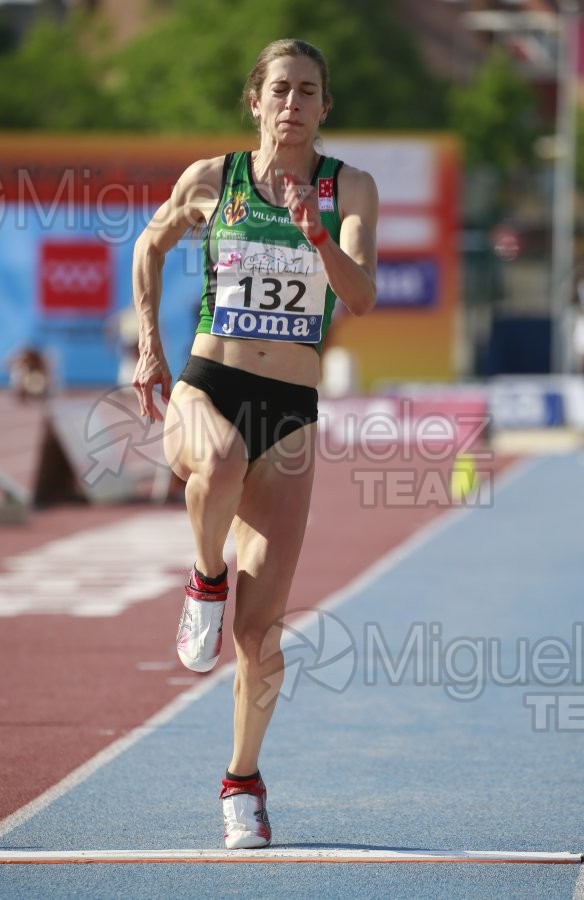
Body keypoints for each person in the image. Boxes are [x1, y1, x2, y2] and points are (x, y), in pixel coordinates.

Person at [131, 38, 378, 850]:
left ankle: (241, 781)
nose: (293, 103)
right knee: (220, 462)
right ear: (256, 100)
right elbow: (150, 244)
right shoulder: (214, 179)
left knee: (262, 630)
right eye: (280, 89)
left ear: (325, 106)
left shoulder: (350, 188)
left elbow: (364, 297)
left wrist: (320, 238)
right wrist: (150, 347)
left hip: (292, 409)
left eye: (309, 90)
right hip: (209, 383)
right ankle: (205, 577)